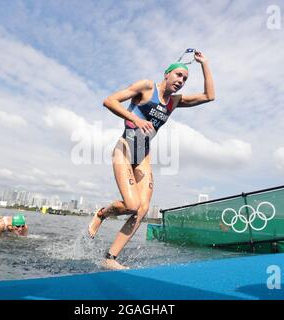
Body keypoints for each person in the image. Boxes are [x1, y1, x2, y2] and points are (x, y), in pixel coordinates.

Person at [88, 50, 215, 270]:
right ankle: (102, 213)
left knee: (142, 209)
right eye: (178, 75)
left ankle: (110, 258)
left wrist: (205, 63)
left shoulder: (174, 102)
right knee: (131, 204)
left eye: (185, 79)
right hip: (125, 148)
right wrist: (135, 119)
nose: (181, 81)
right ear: (166, 74)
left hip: (143, 154)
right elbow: (109, 101)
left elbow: (208, 96)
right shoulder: (147, 87)